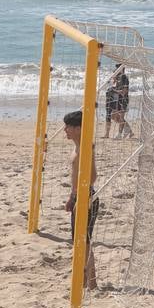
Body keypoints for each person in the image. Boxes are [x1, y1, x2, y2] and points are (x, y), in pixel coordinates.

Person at [62, 109, 99, 290]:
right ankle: (86, 280)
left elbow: (92, 176)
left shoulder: (85, 147)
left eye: (68, 127)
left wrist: (81, 197)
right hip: (79, 196)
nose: (65, 130)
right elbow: (75, 176)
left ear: (77, 128)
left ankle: (91, 282)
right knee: (80, 240)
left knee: (83, 241)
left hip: (87, 197)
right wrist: (72, 196)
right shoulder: (76, 146)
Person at [104, 65, 131, 139]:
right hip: (116, 100)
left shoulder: (124, 77)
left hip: (123, 100)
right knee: (113, 116)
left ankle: (119, 134)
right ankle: (129, 130)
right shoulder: (117, 78)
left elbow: (124, 92)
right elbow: (114, 87)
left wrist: (113, 90)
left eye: (117, 68)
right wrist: (113, 83)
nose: (115, 70)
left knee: (121, 117)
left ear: (121, 69)